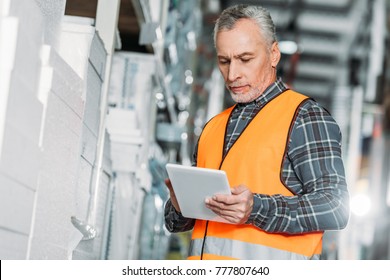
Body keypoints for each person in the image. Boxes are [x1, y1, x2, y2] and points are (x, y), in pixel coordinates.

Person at [164, 4, 350, 260]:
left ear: (274, 54)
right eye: (224, 61)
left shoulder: (304, 117)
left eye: (245, 59)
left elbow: (336, 207)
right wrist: (179, 204)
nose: (233, 74)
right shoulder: (213, 127)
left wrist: (256, 209)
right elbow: (178, 224)